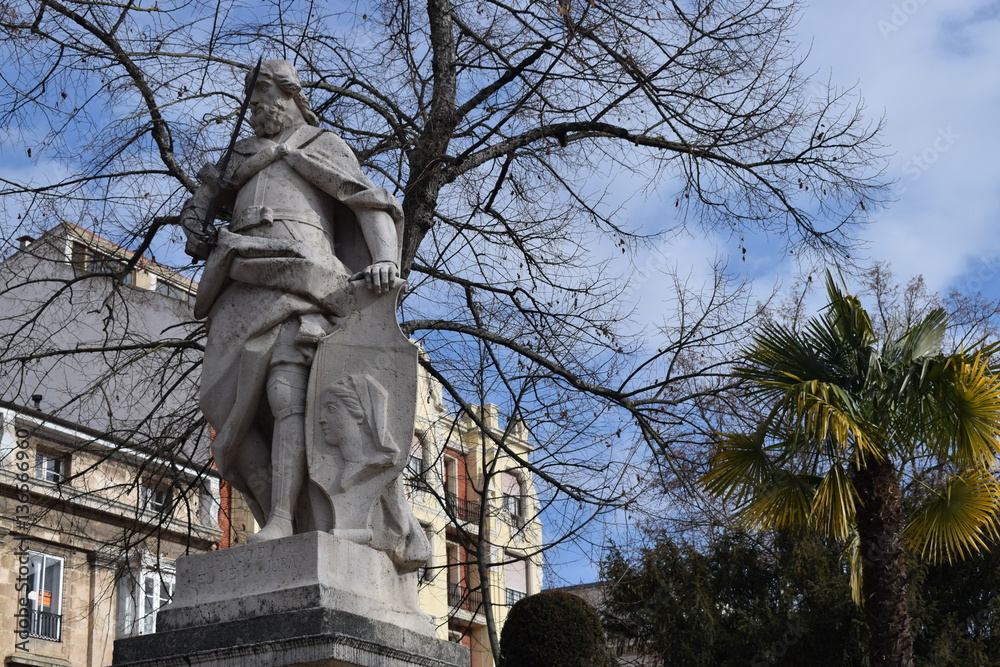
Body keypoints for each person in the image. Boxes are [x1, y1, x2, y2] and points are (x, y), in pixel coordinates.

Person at [180, 59, 404, 545]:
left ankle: (282, 518)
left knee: (286, 393)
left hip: (302, 277)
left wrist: (386, 260)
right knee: (224, 407)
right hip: (238, 283)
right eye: (251, 100)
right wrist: (199, 216)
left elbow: (372, 204)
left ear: (289, 96)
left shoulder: (322, 146)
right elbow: (196, 227)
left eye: (262, 97)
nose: (255, 107)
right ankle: (278, 510)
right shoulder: (237, 158)